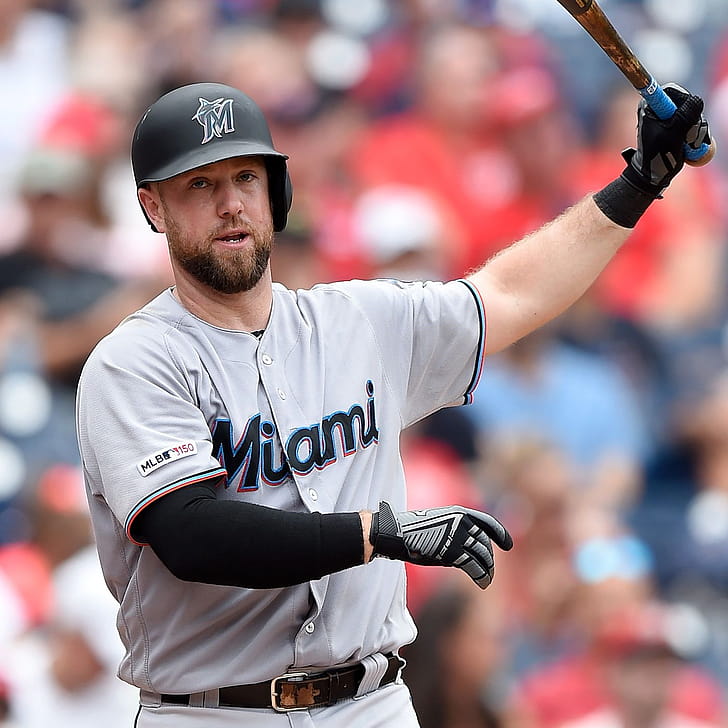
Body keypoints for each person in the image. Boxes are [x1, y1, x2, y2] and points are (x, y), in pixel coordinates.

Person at [75, 79, 710, 726]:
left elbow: (511, 293)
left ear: (277, 192)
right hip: (214, 712)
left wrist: (639, 183)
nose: (231, 204)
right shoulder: (134, 363)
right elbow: (191, 536)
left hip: (372, 703)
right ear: (153, 207)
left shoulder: (358, 321)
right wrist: (377, 533)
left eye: (245, 178)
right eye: (200, 185)